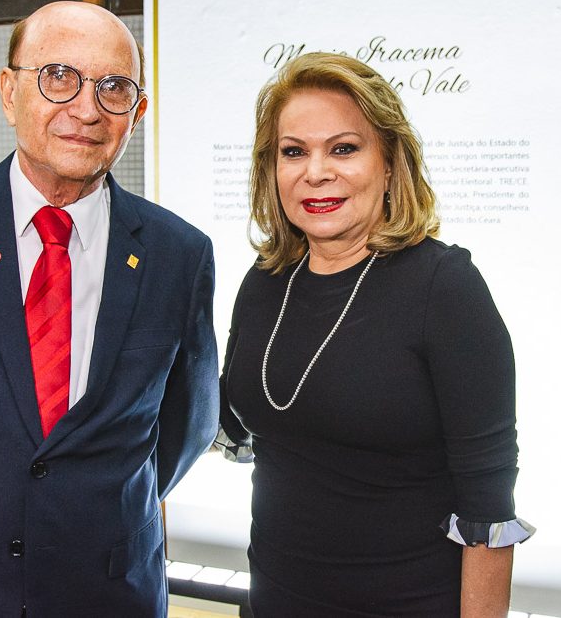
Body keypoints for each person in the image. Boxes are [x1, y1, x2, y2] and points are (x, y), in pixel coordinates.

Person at [217, 52, 534, 617]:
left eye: (344, 148)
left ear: (389, 163)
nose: (316, 172)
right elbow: (233, 416)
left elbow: (487, 507)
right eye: (294, 152)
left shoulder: (444, 286)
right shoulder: (265, 281)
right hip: (274, 602)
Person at [0, 1, 219, 617]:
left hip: (109, 590)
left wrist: (95, 508)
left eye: (113, 88)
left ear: (137, 113)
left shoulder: (179, 254)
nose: (87, 109)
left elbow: (189, 424)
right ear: (9, 92)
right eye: (58, 77)